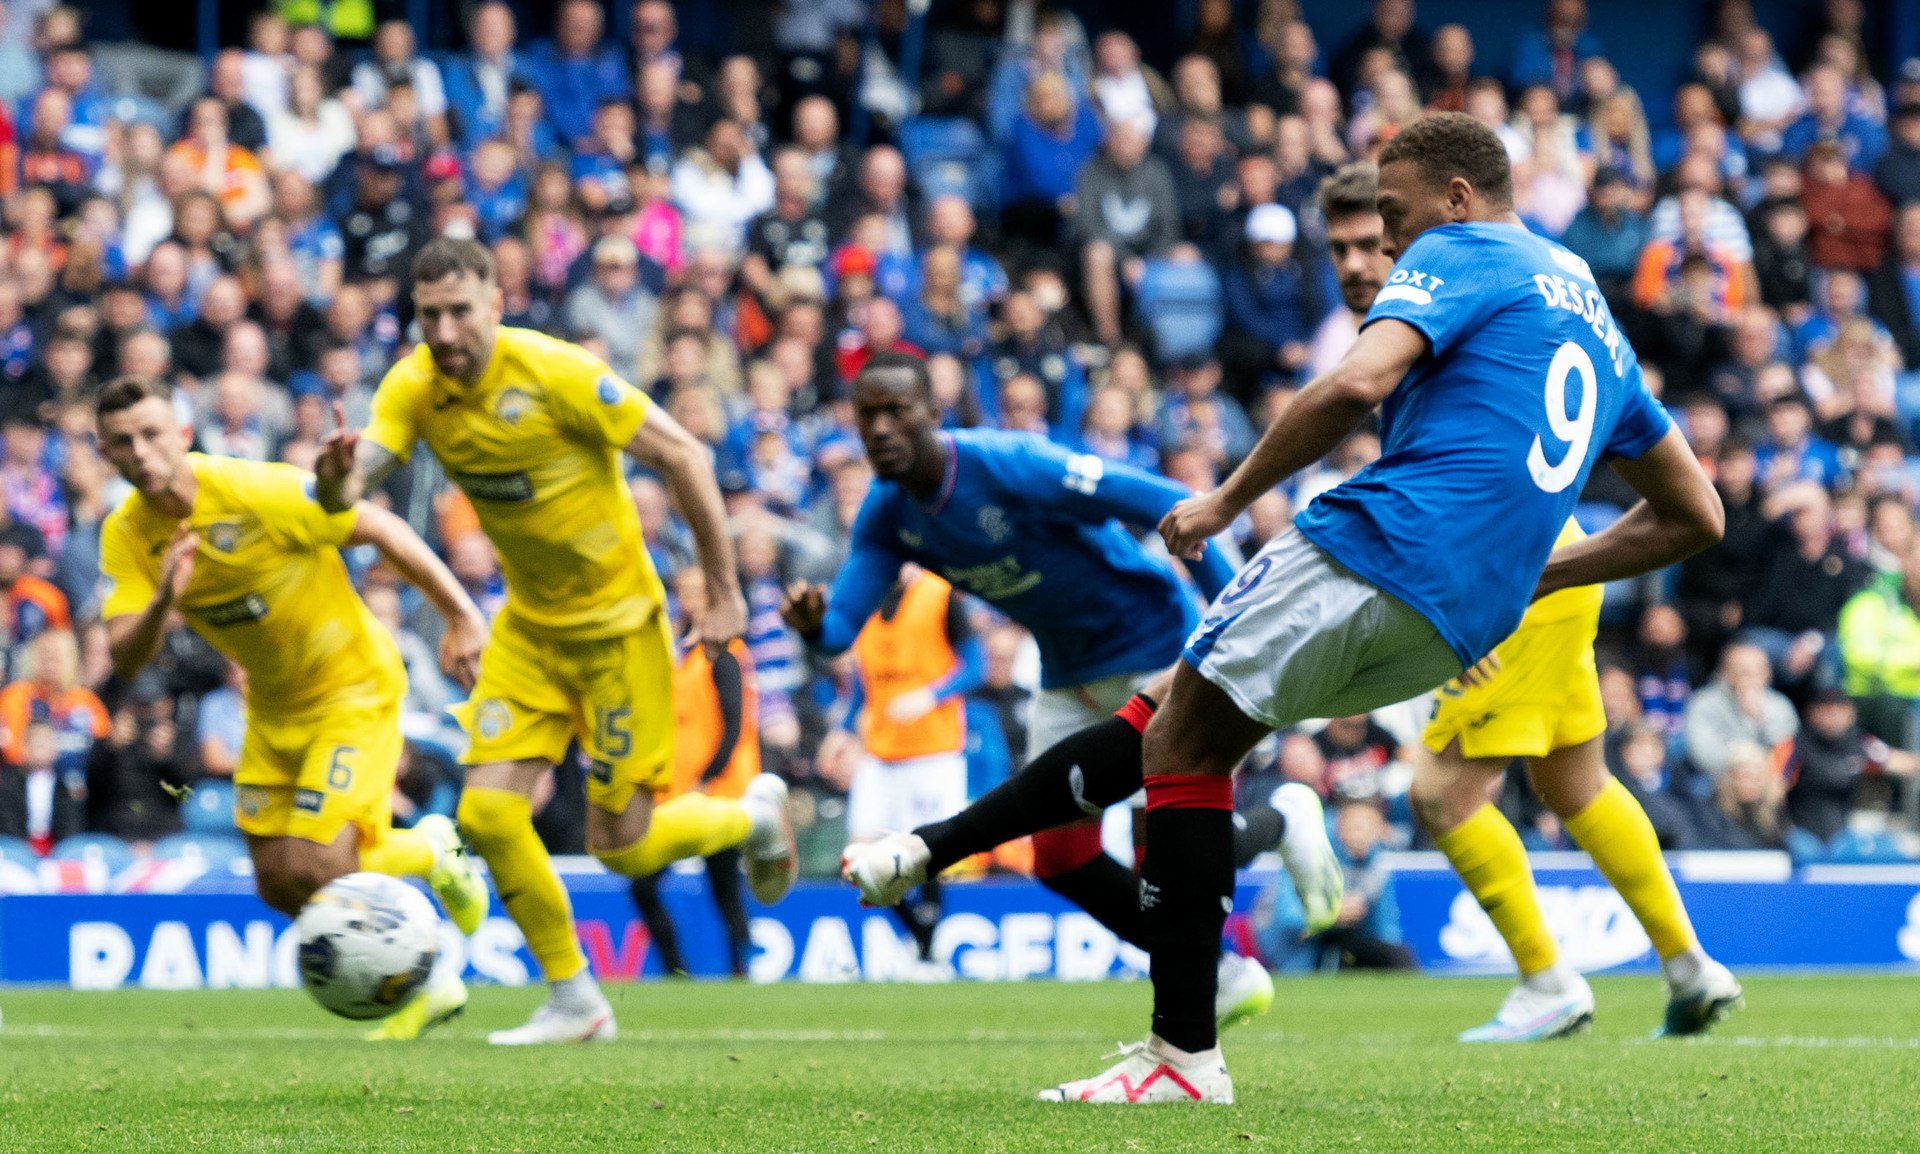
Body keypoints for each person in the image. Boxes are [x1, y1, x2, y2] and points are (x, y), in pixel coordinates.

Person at [1034, 113, 1724, 1104]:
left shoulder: (1463, 247)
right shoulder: (1592, 309)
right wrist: (1543, 575)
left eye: (1395, 217)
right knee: (1206, 739)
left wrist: (1227, 496)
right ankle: (1206, 988)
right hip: (1461, 622)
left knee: (1178, 738)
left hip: (1381, 544)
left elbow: (1359, 379)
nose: (1392, 243)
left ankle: (1180, 1054)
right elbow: (1697, 512)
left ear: (1454, 197)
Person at [316, 238, 796, 1046]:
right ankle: (574, 996)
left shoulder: (556, 373)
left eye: (460, 311)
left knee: (625, 846)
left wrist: (722, 589)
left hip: (618, 635)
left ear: (495, 305)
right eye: (429, 314)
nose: (445, 330)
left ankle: (752, 818)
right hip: (530, 632)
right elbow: (347, 486)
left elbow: (683, 453)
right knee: (489, 813)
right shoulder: (415, 387)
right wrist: (332, 476)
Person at [802, 351, 1303, 1031]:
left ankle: (1280, 828)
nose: (882, 427)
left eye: (898, 410)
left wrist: (1231, 624)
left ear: (934, 413)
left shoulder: (1006, 463)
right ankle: (1214, 968)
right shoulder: (889, 515)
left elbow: (1165, 502)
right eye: (869, 415)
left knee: (1171, 838)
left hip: (1153, 645)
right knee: (1058, 857)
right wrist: (811, 625)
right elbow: (837, 631)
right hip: (1066, 672)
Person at [93, 374, 492, 1040]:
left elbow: (378, 525)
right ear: (105, 455)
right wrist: (166, 597)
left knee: (322, 865)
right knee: (279, 883)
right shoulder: (128, 535)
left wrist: (462, 617)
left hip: (351, 689)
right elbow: (125, 657)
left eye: (152, 433)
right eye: (121, 442)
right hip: (272, 707)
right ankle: (430, 975)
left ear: (184, 435)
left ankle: (429, 850)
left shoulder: (251, 491)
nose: (140, 452)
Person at [831, 567, 982, 961]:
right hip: (880, 753)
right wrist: (843, 730)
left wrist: (931, 695)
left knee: (930, 853)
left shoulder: (940, 595)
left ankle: (926, 947)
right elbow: (866, 683)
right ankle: (921, 939)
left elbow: (975, 665)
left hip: (933, 751)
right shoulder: (865, 603)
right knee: (858, 857)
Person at [629, 568, 760, 979]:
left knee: (723, 885)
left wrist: (708, 776)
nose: (689, 601)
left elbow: (733, 724)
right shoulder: (684, 654)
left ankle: (739, 968)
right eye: (683, 592)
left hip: (717, 792)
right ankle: (676, 968)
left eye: (698, 592)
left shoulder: (725, 653)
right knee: (645, 884)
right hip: (680, 793)